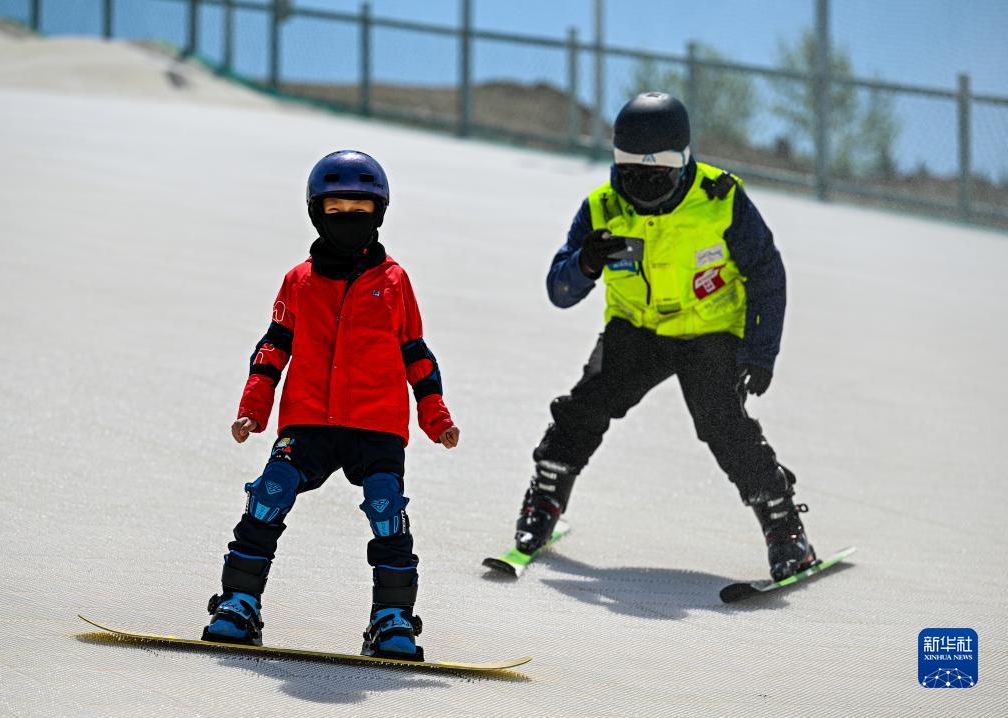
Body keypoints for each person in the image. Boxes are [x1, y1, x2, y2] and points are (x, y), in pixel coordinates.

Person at [510, 92, 815, 581]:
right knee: (585, 405)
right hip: (637, 331)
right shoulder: (601, 208)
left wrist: (760, 349)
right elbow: (559, 292)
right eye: (631, 172)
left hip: (709, 332)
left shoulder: (722, 200)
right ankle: (544, 499)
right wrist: (585, 262)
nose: (644, 184)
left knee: (723, 424)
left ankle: (784, 529)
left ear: (683, 160)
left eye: (660, 172)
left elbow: (766, 272)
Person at [203, 150, 459, 660]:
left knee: (386, 507)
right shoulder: (299, 281)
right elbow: (273, 347)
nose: (348, 218)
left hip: (377, 422)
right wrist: (253, 408)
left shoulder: (394, 281)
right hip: (308, 418)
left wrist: (436, 416)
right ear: (316, 212)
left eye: (360, 209)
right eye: (336, 209)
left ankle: (391, 619)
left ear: (379, 212)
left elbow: (417, 354)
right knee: (270, 493)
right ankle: (239, 603)